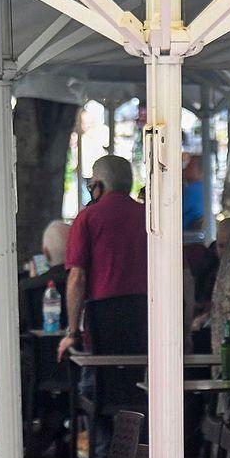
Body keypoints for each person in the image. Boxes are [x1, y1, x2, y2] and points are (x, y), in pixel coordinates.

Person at [56, 155, 147, 361]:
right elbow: (183, 274)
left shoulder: (87, 218)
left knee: (98, 383)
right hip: (146, 318)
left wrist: (72, 332)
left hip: (102, 321)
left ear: (98, 185)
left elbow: (77, 279)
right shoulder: (149, 216)